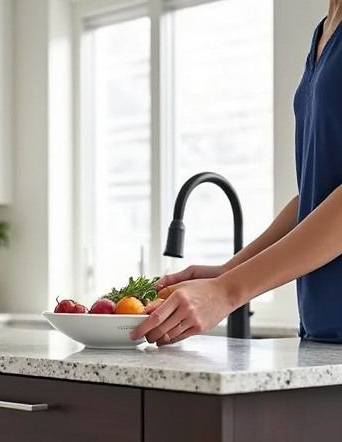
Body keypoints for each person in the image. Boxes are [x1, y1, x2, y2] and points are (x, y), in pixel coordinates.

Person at [131, 1, 342, 347]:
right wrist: (227, 273)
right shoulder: (324, 31)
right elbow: (317, 195)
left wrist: (228, 291)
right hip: (324, 336)